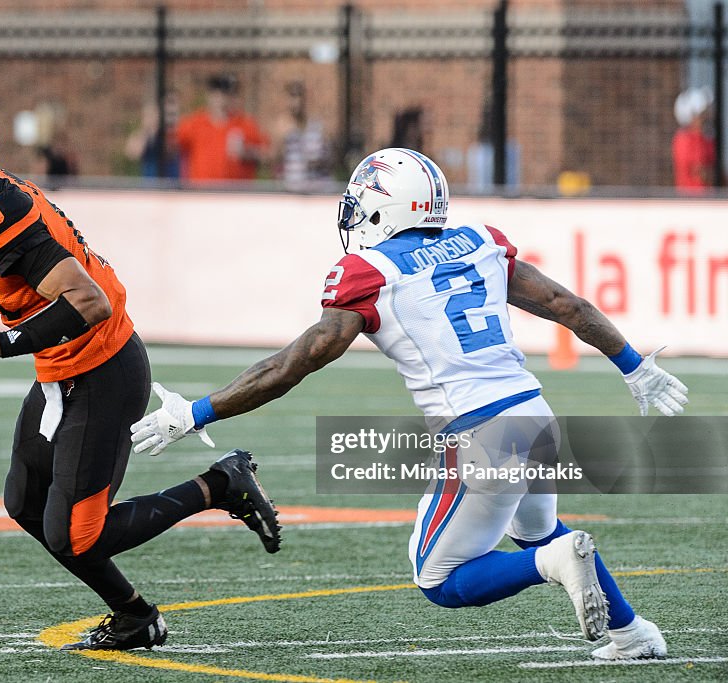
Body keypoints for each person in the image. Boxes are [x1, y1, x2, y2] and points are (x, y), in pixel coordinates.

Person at [131, 148, 688, 660]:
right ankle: (632, 633)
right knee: (537, 529)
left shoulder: (369, 273)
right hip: (535, 417)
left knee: (439, 579)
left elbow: (290, 365)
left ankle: (555, 567)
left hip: (479, 433)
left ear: (380, 211)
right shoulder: (480, 239)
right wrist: (633, 365)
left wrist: (197, 412)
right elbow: (564, 304)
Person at [0, 94, 281, 651]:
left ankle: (219, 485)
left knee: (77, 535)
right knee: (25, 503)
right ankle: (135, 617)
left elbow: (90, 303)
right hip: (62, 368)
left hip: (103, 368)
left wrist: (4, 340)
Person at [174, 74, 268, 183]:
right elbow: (170, 146)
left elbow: (266, 155)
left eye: (230, 94)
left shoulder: (245, 124)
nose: (224, 99)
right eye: (220, 94)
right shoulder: (195, 123)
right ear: (210, 96)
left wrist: (247, 153)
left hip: (237, 194)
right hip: (202, 193)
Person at [271, 81, 331, 192]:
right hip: (292, 188)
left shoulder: (317, 127)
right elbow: (275, 161)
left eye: (299, 97)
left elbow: (330, 158)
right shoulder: (281, 128)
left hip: (317, 188)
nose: (296, 103)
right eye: (292, 97)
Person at [125, 91, 180, 179]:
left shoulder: (179, 133)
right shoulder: (148, 135)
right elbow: (132, 153)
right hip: (151, 188)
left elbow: (171, 150)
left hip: (173, 188)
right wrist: (148, 129)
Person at [672, 87, 715, 193]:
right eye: (702, 113)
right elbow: (702, 172)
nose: (706, 116)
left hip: (709, 201)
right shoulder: (686, 140)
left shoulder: (705, 137)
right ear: (692, 116)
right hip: (694, 202)